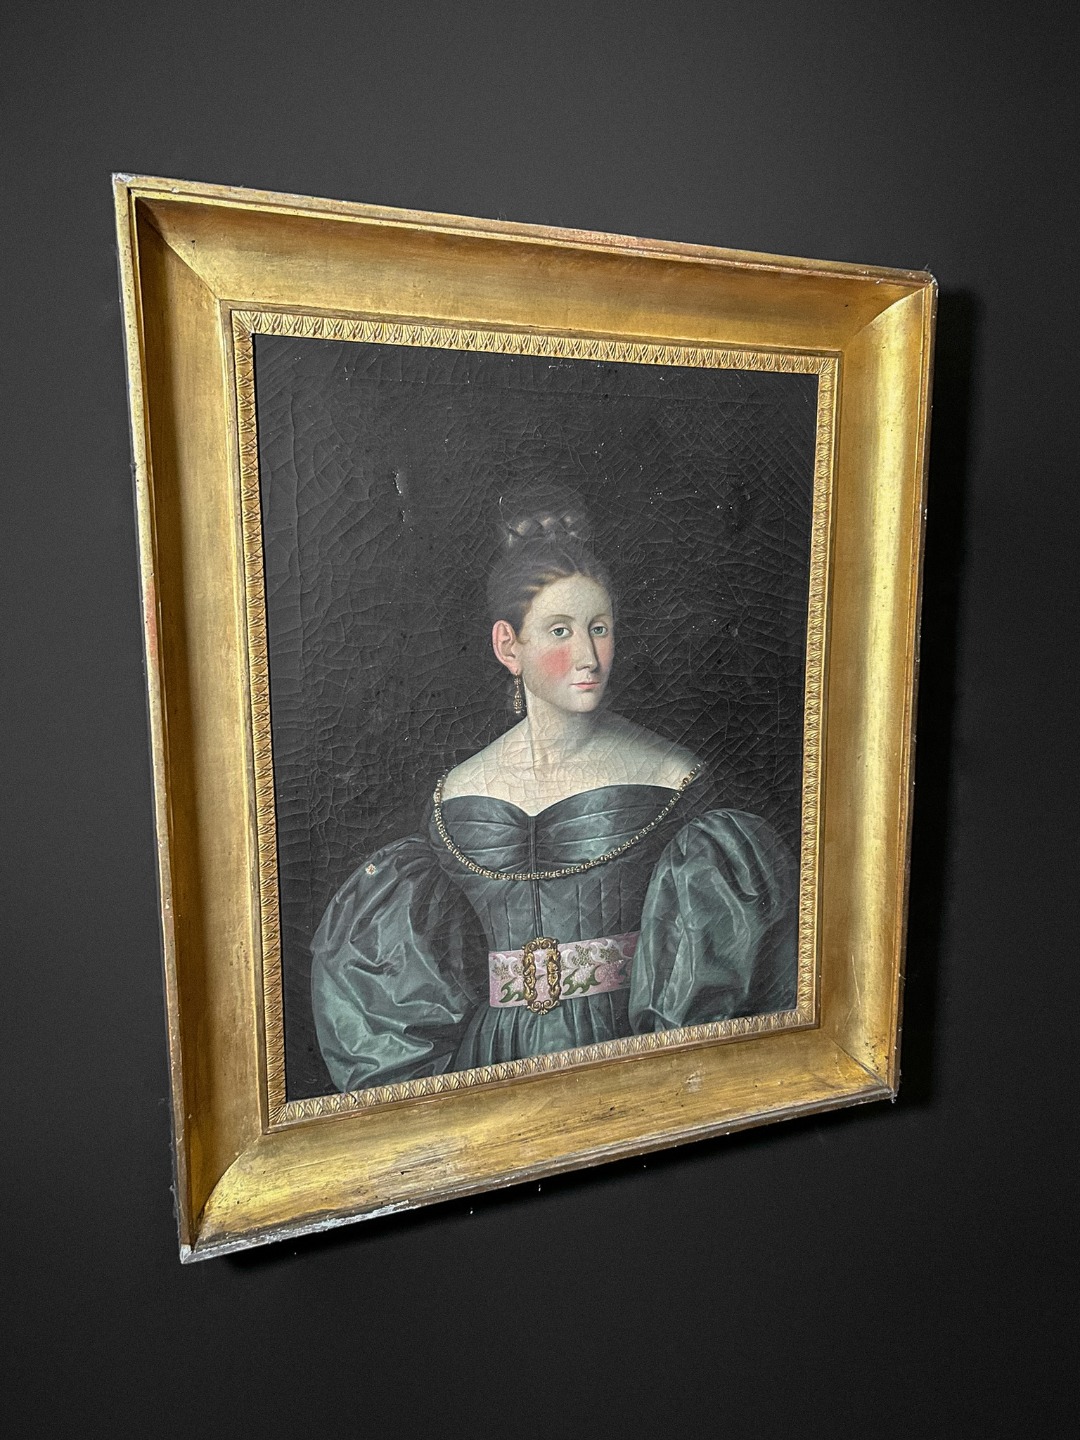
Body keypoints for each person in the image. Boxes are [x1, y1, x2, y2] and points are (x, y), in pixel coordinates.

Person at [312, 489, 798, 1093]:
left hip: (622, 1058)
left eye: (600, 629)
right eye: (560, 631)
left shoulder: (675, 777)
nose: (588, 657)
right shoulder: (452, 794)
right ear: (508, 647)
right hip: (492, 1065)